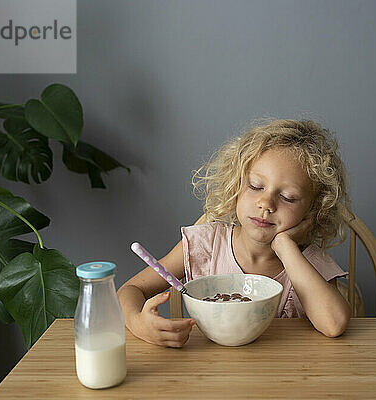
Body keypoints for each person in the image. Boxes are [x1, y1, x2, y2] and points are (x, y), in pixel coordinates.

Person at [118, 118, 352, 348]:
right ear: (236, 186)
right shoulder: (205, 245)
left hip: (284, 377)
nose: (266, 203)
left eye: (287, 197)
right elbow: (130, 290)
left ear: (313, 211)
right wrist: (138, 322)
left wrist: (285, 246)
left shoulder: (309, 263)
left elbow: (334, 324)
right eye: (256, 186)